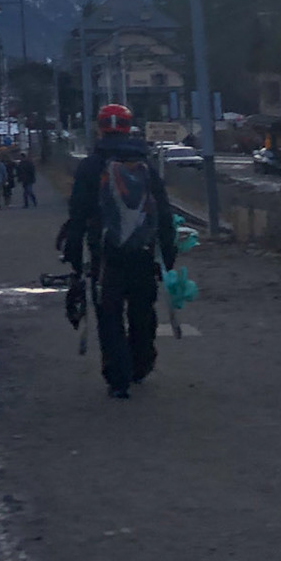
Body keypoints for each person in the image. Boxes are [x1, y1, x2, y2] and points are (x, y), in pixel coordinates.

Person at [60, 104, 176, 398]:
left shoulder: (90, 166)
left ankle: (118, 379)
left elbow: (78, 214)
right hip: (143, 253)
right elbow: (163, 212)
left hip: (106, 257)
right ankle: (141, 365)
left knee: (109, 315)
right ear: (129, 127)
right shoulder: (145, 165)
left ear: (100, 127)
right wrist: (168, 254)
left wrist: (75, 257)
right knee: (142, 310)